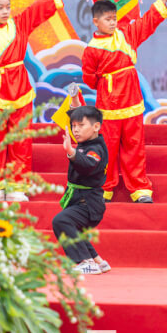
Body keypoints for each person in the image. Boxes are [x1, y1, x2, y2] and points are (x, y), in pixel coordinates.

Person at [0, 0, 79, 202]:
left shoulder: (18, 24)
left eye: (7, 7)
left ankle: (16, 187)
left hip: (21, 88)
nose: (5, 11)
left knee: (20, 140)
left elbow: (38, 9)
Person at [81, 0, 167, 203]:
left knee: (134, 146)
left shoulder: (126, 35)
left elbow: (148, 22)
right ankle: (104, 188)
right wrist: (108, 86)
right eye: (107, 19)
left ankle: (140, 189)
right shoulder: (91, 49)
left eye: (114, 18)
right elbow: (89, 79)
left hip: (132, 101)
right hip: (108, 105)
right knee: (107, 148)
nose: (113, 22)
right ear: (96, 22)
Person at [52, 105, 111, 274]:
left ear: (96, 127)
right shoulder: (87, 143)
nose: (75, 130)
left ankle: (85, 262)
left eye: (80, 126)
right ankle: (98, 261)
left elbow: (88, 165)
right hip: (81, 199)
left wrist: (71, 152)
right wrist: (76, 101)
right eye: (73, 126)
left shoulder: (96, 149)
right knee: (73, 227)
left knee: (61, 221)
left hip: (89, 203)